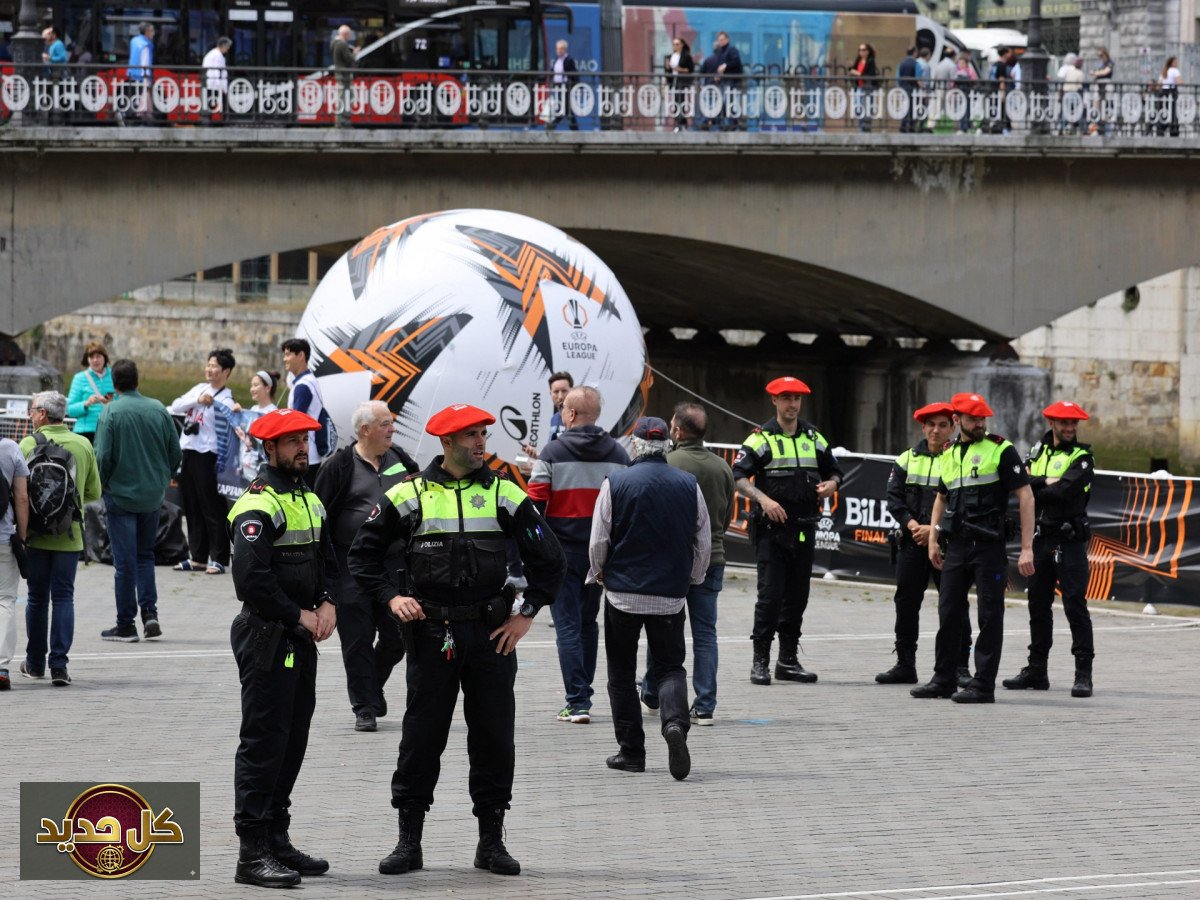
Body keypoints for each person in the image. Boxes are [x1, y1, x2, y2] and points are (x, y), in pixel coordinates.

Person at [348, 404, 565, 878]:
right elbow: (361, 557)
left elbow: (550, 560)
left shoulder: (506, 492)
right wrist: (391, 599)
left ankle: (491, 842)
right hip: (431, 635)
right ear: (446, 443)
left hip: (492, 638)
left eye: (483, 434)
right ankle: (409, 842)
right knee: (421, 738)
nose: (481, 443)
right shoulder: (409, 493)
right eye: (470, 436)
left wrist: (526, 614)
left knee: (493, 738)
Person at [228, 408, 338, 888]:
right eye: (292, 441)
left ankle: (277, 838)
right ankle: (251, 854)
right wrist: (300, 615)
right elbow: (250, 579)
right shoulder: (258, 503)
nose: (301, 448)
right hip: (267, 635)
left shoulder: (308, 498)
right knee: (264, 743)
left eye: (306, 440)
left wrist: (328, 601)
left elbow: (327, 559)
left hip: (299, 637)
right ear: (269, 448)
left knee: (292, 741)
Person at [591, 417, 709, 780]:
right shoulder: (689, 485)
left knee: (621, 675)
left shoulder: (616, 483)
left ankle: (632, 752)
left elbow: (599, 539)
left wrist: (599, 574)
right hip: (670, 596)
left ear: (636, 445)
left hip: (623, 594)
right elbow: (701, 540)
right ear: (665, 446)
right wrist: (693, 577)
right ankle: (675, 723)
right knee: (671, 666)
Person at [911, 392, 1035, 704]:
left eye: (982, 418)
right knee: (949, 611)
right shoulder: (950, 454)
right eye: (973, 418)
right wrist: (934, 540)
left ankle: (983, 685)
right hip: (957, 546)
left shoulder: (1000, 449)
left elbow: (1026, 497)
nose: (979, 423)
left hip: (988, 547)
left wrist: (1027, 548)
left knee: (989, 616)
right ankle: (944, 678)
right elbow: (941, 498)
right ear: (958, 421)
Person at [526, 385, 629, 724]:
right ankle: (584, 694)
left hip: (563, 553)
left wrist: (537, 552)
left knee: (567, 625)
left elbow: (535, 507)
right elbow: (627, 505)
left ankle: (578, 700)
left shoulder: (553, 452)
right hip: (602, 553)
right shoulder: (618, 454)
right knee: (588, 623)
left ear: (569, 414)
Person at [314, 400, 417, 733]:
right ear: (365, 430)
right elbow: (319, 517)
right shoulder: (339, 466)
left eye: (392, 423)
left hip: (394, 562)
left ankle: (370, 685)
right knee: (357, 638)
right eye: (385, 423)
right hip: (350, 562)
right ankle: (365, 706)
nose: (392, 429)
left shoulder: (400, 459)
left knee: (397, 636)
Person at [733, 376, 842, 686]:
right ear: (774, 401)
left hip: (804, 529)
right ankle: (760, 663)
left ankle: (788, 662)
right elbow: (738, 476)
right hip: (772, 532)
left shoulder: (814, 437)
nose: (792, 404)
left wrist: (832, 483)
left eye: (796, 398)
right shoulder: (760, 439)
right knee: (770, 597)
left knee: (797, 597)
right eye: (786, 398)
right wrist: (763, 499)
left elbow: (835, 470)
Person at [640, 402, 733, 725]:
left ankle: (652, 693)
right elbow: (726, 516)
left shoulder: (667, 462)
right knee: (706, 634)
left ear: (677, 431)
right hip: (714, 558)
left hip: (672, 561)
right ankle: (705, 704)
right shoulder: (722, 467)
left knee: (662, 628)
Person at [1003, 401, 1096, 698]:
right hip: (1042, 540)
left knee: (1075, 606)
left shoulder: (1082, 458)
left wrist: (1035, 485)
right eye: (1064, 423)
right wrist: (1043, 481)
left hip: (1069, 541)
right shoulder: (1037, 451)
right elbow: (1021, 484)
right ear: (1052, 423)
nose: (1070, 428)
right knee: (1037, 607)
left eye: (1074, 424)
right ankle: (1036, 670)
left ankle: (1083, 674)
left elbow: (1062, 491)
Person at [877, 402, 972, 686]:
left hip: (947, 545)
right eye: (931, 424)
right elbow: (894, 499)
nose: (936, 430)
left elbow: (965, 503)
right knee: (906, 604)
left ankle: (960, 668)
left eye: (943, 425)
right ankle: (905, 664)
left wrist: (935, 529)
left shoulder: (961, 458)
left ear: (953, 427)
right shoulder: (907, 458)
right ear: (923, 427)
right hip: (912, 542)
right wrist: (912, 525)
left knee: (954, 607)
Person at [95, 359, 182, 643]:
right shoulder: (158, 408)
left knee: (124, 562)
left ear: (114, 384)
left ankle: (125, 624)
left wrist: (103, 484)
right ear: (137, 380)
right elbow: (175, 453)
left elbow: (103, 457)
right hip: (152, 496)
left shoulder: (111, 412)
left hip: (120, 496)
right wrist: (161, 478)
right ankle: (150, 613)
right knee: (146, 557)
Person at [19, 391, 100, 688]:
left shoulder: (27, 445)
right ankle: (59, 666)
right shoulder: (82, 444)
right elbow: (94, 492)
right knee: (64, 597)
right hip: (69, 535)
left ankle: (35, 662)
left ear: (42, 414)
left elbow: (20, 493)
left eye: (32, 410)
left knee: (37, 598)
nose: (30, 415)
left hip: (37, 535)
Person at [169, 348, 236, 575]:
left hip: (209, 456)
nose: (210, 369)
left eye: (215, 366)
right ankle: (197, 556)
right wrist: (197, 401)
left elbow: (230, 425)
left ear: (226, 371)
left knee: (212, 506)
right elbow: (175, 405)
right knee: (192, 504)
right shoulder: (200, 389)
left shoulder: (227, 399)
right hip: (189, 451)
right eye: (208, 364)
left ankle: (218, 558)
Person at [282, 338, 332, 483]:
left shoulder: (303, 386)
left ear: (301, 355)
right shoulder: (310, 380)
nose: (285, 359)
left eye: (288, 354)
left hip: (304, 454)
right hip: (310, 453)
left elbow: (295, 422)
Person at [0, 436, 28, 692]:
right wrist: (22, 536)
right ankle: (1, 667)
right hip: (3, 538)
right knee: (6, 599)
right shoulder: (9, 448)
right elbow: (21, 497)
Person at [232, 370, 281, 483]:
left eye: (256, 385)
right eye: (251, 385)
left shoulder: (274, 412)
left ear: (267, 388)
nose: (252, 389)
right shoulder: (253, 410)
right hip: (246, 467)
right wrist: (238, 414)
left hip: (262, 468)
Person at [65, 340, 114, 443]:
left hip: (110, 429)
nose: (95, 360)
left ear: (105, 358)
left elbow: (122, 402)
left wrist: (111, 403)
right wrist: (86, 404)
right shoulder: (79, 378)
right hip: (85, 432)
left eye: (98, 356)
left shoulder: (115, 375)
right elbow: (70, 410)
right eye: (91, 357)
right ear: (87, 359)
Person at [520, 370, 573, 462]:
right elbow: (553, 456)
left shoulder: (578, 418)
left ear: (572, 391)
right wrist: (536, 455)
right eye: (556, 392)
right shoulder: (554, 418)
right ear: (550, 394)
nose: (560, 396)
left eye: (564, 391)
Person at [712, 31, 744, 131]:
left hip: (732, 81)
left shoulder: (731, 50)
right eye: (719, 40)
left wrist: (725, 66)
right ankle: (731, 123)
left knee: (730, 102)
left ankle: (733, 123)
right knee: (727, 102)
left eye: (722, 39)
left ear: (727, 39)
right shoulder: (721, 51)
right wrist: (719, 75)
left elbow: (736, 61)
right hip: (725, 81)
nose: (720, 42)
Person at [547, 39, 579, 131]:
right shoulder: (556, 60)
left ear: (565, 49)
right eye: (557, 49)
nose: (559, 50)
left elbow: (574, 74)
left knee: (564, 107)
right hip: (558, 87)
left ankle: (552, 124)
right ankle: (574, 129)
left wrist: (573, 85)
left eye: (561, 49)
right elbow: (554, 72)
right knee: (566, 108)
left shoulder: (569, 60)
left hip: (566, 87)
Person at [666, 38, 695, 132]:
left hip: (682, 82)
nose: (675, 46)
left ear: (682, 44)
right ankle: (677, 122)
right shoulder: (670, 56)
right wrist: (668, 68)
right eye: (674, 44)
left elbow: (690, 69)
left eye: (677, 44)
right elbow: (668, 71)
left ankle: (682, 123)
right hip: (673, 81)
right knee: (675, 102)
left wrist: (679, 69)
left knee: (681, 101)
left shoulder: (686, 56)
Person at [127, 22, 155, 120]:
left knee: (136, 96)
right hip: (142, 76)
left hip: (133, 74)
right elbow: (145, 63)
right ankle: (142, 117)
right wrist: (147, 79)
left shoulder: (134, 41)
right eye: (152, 31)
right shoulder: (146, 45)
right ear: (147, 32)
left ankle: (137, 116)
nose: (153, 33)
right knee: (143, 97)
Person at [331, 24, 356, 126]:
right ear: (345, 34)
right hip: (344, 75)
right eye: (349, 34)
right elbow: (349, 59)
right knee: (345, 97)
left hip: (339, 74)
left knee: (345, 96)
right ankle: (342, 121)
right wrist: (354, 53)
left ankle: (343, 120)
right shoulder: (342, 44)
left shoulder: (334, 43)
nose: (350, 36)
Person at [201, 36, 232, 118]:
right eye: (227, 47)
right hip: (214, 84)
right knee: (216, 103)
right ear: (223, 46)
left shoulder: (213, 53)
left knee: (211, 103)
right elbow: (216, 72)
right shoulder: (217, 56)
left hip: (211, 83)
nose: (228, 49)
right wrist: (221, 87)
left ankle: (212, 120)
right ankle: (221, 120)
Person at [851, 42, 878, 132]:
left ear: (867, 51)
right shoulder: (858, 60)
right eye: (859, 50)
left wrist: (858, 73)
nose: (861, 52)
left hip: (867, 88)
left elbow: (870, 75)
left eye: (863, 50)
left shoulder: (870, 61)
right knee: (858, 107)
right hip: (858, 87)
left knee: (867, 108)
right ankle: (860, 126)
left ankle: (866, 128)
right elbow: (852, 69)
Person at [896, 46, 919, 132]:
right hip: (913, 89)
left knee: (904, 107)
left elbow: (898, 78)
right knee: (912, 108)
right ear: (914, 53)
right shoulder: (916, 64)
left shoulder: (901, 63)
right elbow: (918, 77)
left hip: (903, 88)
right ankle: (911, 126)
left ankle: (903, 126)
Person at [1159, 56, 1182, 137]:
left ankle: (1161, 129)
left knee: (1163, 111)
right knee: (1173, 111)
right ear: (1172, 63)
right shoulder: (1175, 71)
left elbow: (1160, 83)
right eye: (1175, 62)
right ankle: (1174, 130)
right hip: (1172, 92)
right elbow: (1180, 81)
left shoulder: (1165, 71)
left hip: (1163, 93)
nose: (1177, 63)